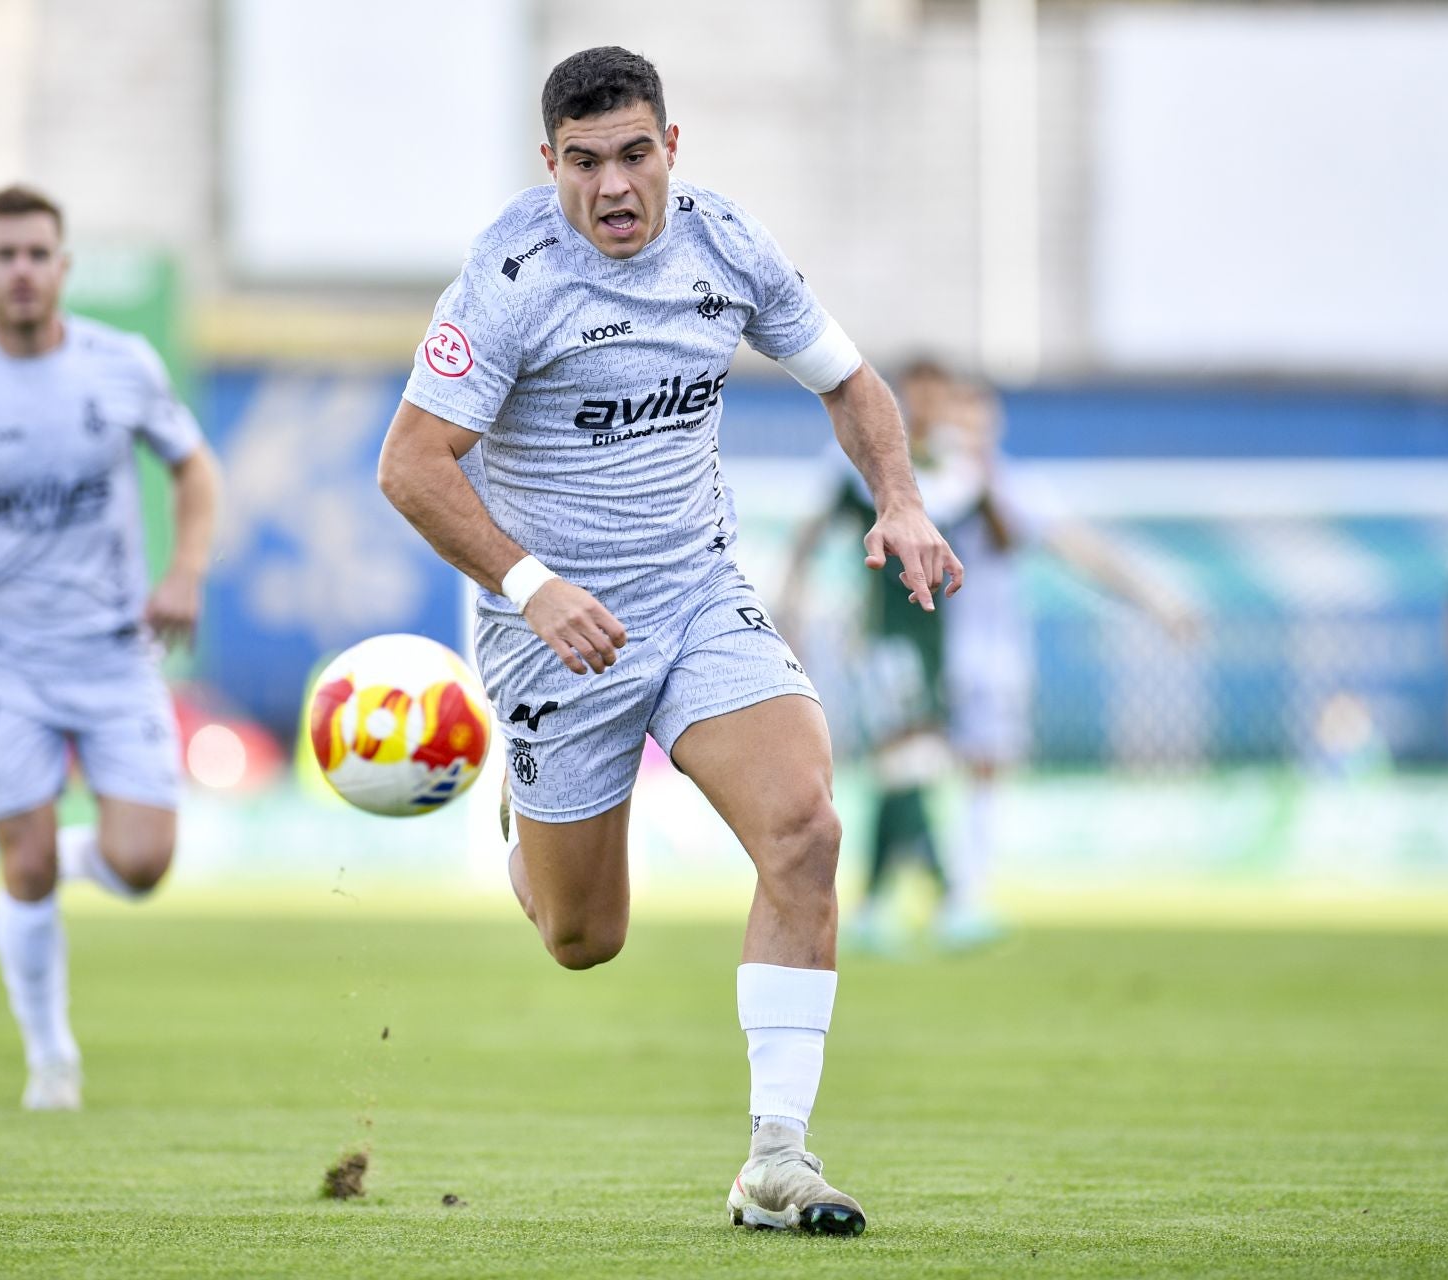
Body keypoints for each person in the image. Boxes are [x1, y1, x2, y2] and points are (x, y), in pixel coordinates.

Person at [377, 47, 960, 1236]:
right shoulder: (506, 277)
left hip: (696, 592)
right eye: (584, 163)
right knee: (583, 937)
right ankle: (529, 837)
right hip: (556, 631)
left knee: (806, 827)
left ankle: (776, 1156)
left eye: (634, 154)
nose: (614, 186)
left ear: (671, 148)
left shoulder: (727, 244)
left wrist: (898, 496)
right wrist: (534, 586)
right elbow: (410, 466)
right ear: (551, 167)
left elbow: (851, 384)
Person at [0, 186, 220, 1111]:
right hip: (4, 661)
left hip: (112, 652)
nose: (22, 270)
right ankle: (50, 1057)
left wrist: (183, 573)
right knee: (21, 873)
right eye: (4, 255)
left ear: (62, 266)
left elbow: (193, 467)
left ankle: (53, 852)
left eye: (37, 253)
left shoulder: (120, 364)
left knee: (142, 864)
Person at [785, 360, 1195, 952]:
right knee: (908, 764)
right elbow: (834, 530)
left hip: (983, 651)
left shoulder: (995, 485)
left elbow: (1077, 548)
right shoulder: (907, 477)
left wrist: (1156, 601)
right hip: (918, 640)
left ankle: (932, 897)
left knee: (957, 768)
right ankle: (937, 898)